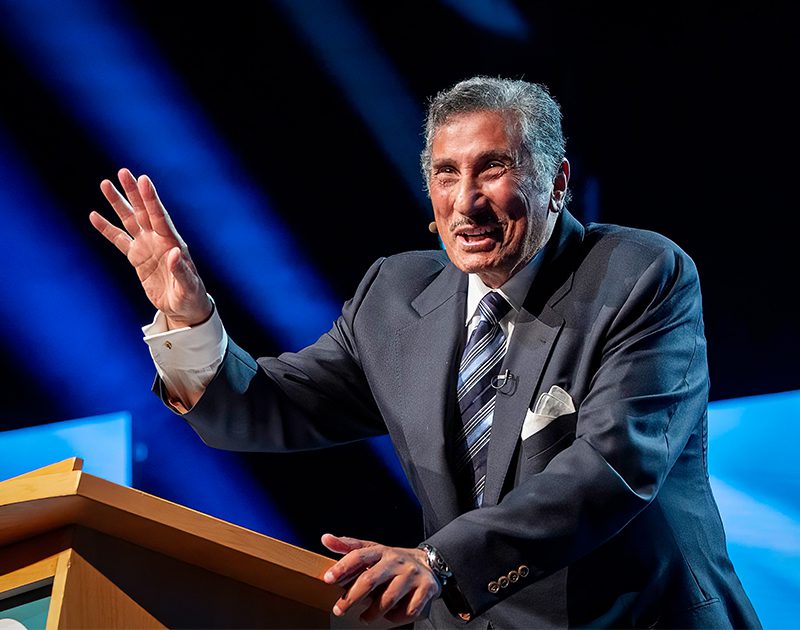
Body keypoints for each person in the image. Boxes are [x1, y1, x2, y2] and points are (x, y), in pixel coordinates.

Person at [90, 76, 761, 629]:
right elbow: (263, 410)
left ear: (556, 182)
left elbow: (609, 471)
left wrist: (436, 562)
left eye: (492, 169)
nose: (466, 201)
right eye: (446, 174)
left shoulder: (640, 276)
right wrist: (188, 316)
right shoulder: (395, 294)